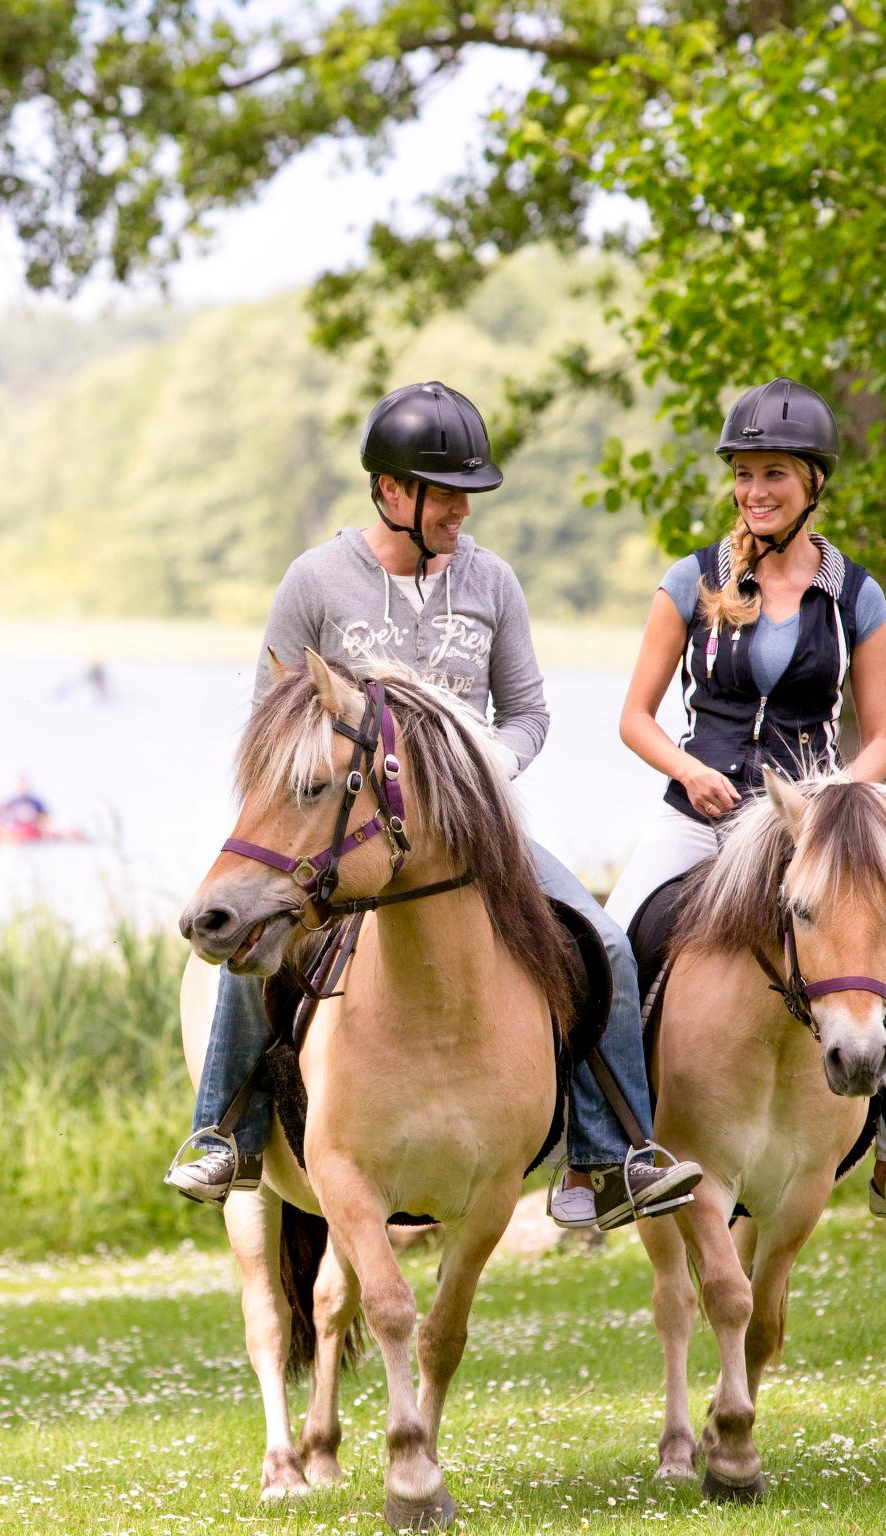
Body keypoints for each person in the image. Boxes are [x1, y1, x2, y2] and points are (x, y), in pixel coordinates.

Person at [165, 381, 701, 1232]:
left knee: (600, 939)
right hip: (350, 832)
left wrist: (485, 769)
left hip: (476, 835)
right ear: (391, 492)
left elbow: (529, 712)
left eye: (468, 494)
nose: (462, 509)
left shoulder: (493, 582)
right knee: (256, 930)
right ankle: (223, 1131)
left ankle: (611, 1156)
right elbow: (272, 717)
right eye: (446, 493)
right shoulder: (314, 581)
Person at [603, 377, 886, 1234]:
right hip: (700, 817)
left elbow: (878, 739)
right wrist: (690, 772)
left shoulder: (856, 597)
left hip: (811, 828)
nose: (756, 491)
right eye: (745, 474)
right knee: (607, 951)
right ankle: (605, 1154)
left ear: (812, 486)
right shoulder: (690, 581)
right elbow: (634, 718)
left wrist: (833, 798)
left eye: (775, 476)